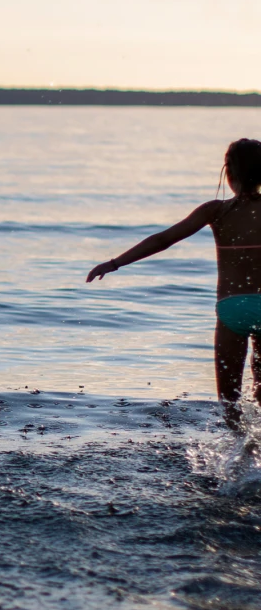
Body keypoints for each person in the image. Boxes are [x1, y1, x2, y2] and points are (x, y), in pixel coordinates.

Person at [88, 138, 261, 431]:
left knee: (230, 402)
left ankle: (240, 457)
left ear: (228, 172)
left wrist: (115, 263)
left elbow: (163, 240)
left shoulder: (216, 210)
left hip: (232, 309)